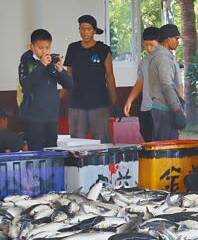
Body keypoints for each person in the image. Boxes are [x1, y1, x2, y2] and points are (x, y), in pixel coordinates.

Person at [64, 15, 119, 143]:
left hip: (99, 104)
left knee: (102, 143)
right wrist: (64, 100)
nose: (85, 32)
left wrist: (114, 101)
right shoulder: (73, 48)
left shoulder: (103, 49)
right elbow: (68, 76)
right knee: (76, 144)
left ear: (94, 31)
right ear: (79, 30)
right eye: (82, 29)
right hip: (77, 104)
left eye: (88, 29)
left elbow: (110, 77)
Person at [18, 29, 74, 150]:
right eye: (40, 48)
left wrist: (61, 70)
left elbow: (69, 85)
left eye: (47, 48)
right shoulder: (26, 63)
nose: (45, 51)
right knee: (37, 152)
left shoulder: (52, 63)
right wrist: (41, 65)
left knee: (52, 152)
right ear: (31, 46)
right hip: (33, 117)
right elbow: (26, 84)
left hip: (51, 116)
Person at [148, 24, 187, 141]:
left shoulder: (160, 56)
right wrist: (177, 110)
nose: (178, 42)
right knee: (167, 149)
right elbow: (167, 86)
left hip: (160, 108)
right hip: (164, 110)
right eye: (176, 39)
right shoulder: (163, 58)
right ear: (168, 39)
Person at [123, 27, 160, 142]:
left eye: (151, 45)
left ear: (159, 43)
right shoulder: (144, 62)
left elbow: (176, 85)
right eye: (146, 45)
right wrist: (129, 100)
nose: (149, 48)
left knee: (162, 144)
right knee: (148, 142)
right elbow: (140, 81)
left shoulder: (167, 61)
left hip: (162, 110)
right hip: (146, 109)